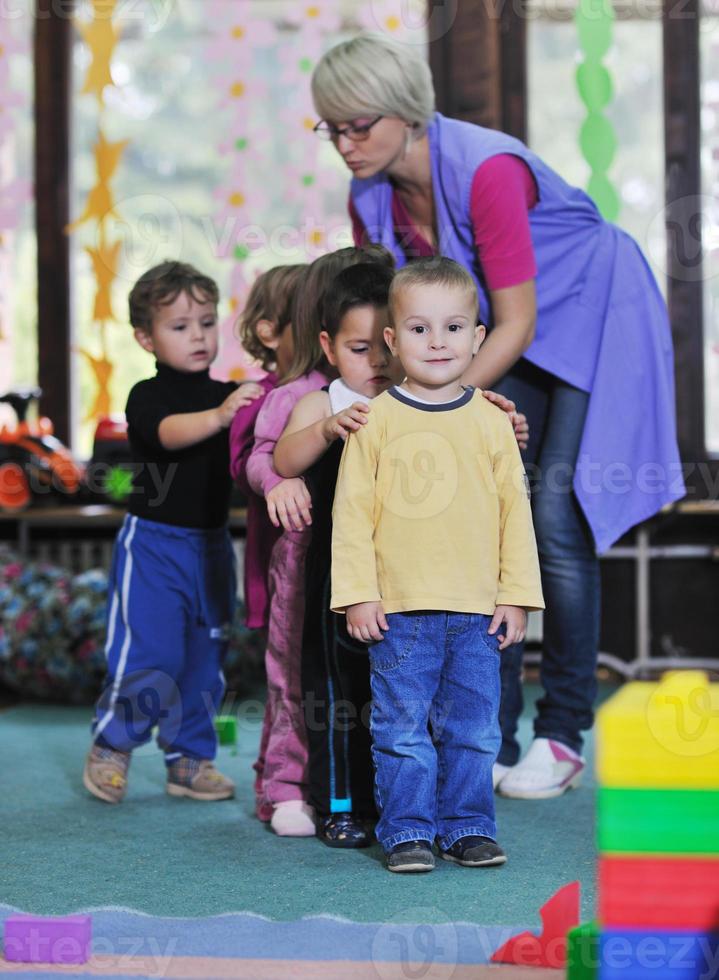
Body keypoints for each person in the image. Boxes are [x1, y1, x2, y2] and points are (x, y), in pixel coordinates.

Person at [311, 33, 684, 799]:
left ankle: (561, 734)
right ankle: (494, 734)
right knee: (487, 520)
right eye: (331, 127)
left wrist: (434, 408)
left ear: (408, 113)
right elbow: (402, 318)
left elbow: (513, 320)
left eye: (359, 125)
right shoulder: (370, 190)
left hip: (586, 317)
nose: (346, 144)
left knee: (552, 519)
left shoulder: (488, 170)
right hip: (498, 342)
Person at [331, 258, 544, 872]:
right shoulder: (374, 421)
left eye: (454, 328)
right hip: (399, 612)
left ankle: (469, 824)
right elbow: (351, 515)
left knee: (476, 730)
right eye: (420, 330)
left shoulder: (493, 423)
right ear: (393, 341)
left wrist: (516, 595)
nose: (438, 342)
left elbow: (515, 514)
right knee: (401, 732)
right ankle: (407, 831)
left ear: (478, 338)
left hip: (478, 611)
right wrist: (357, 594)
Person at [83, 260, 263, 804]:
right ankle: (112, 746)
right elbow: (167, 435)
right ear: (146, 337)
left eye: (207, 323)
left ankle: (189, 759)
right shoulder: (147, 395)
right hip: (155, 546)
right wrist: (221, 415)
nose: (199, 336)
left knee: (204, 663)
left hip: (211, 549)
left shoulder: (228, 394)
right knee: (151, 656)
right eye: (180, 327)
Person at [244, 245, 395, 836]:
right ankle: (287, 786)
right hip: (311, 562)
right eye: (361, 349)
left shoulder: (410, 396)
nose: (377, 363)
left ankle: (382, 787)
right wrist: (285, 475)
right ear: (328, 341)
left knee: (383, 681)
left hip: (385, 569)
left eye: (387, 346)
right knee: (298, 674)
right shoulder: (310, 397)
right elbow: (272, 456)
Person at [229, 263, 307, 634]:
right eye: (308, 321)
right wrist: (277, 478)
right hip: (278, 557)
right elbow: (243, 466)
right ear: (270, 333)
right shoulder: (257, 397)